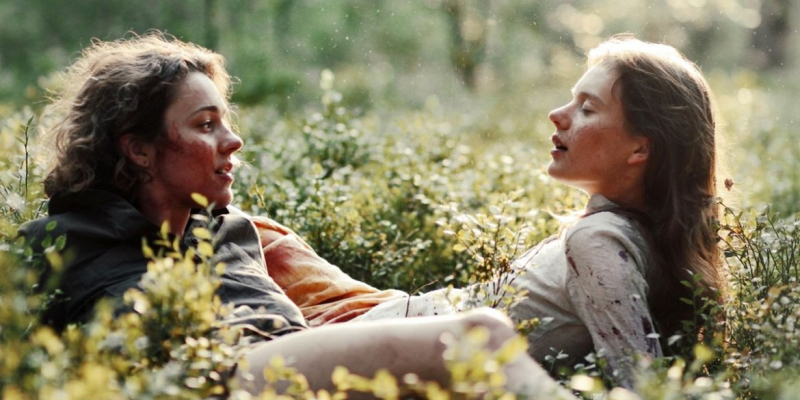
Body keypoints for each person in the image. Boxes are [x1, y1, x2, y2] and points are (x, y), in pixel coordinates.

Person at [18, 33, 576, 399]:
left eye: (226, 121)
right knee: (478, 336)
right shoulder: (56, 242)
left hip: (296, 374)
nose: (232, 140)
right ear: (138, 148)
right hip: (216, 378)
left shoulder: (235, 231)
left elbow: (329, 310)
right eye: (205, 124)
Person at [353, 34, 723, 387]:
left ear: (640, 150)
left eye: (587, 109)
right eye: (570, 101)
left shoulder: (597, 240)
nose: (556, 114)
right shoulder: (645, 236)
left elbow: (643, 386)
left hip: (363, 358)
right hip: (378, 328)